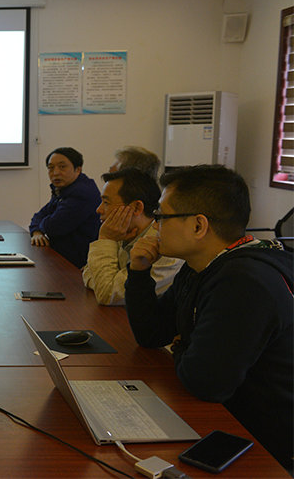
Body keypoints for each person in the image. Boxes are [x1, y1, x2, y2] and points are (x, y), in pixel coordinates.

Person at [124, 165, 293, 471]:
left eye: (161, 217)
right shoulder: (202, 265)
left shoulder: (244, 283)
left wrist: (181, 347)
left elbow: (205, 383)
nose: (155, 226)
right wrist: (138, 272)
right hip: (228, 422)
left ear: (199, 226)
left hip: (265, 448)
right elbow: (152, 334)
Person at [82, 168, 182, 305]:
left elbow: (107, 294)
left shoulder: (164, 247)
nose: (98, 210)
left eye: (106, 203)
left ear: (136, 208)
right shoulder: (122, 232)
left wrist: (105, 240)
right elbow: (88, 273)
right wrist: (103, 283)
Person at [29, 147, 100, 268]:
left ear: (78, 169)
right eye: (51, 168)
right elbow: (39, 215)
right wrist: (37, 231)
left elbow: (53, 227)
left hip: (77, 263)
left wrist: (42, 225)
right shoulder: (65, 189)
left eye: (62, 167)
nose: (55, 172)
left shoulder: (82, 193)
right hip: (62, 257)